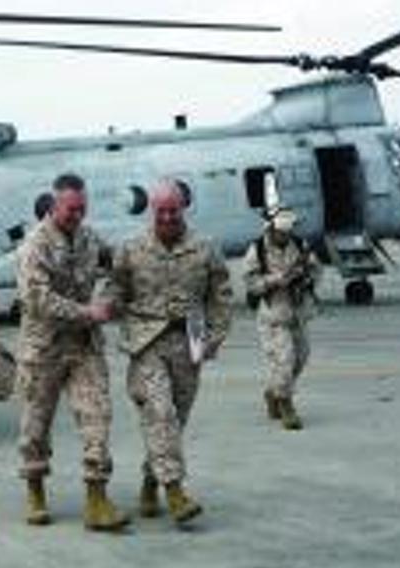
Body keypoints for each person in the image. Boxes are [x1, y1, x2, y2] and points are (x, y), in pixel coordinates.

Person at [105, 179, 233, 525]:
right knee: (160, 412)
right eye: (160, 211)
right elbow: (114, 289)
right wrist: (104, 308)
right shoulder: (131, 248)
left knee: (175, 420)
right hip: (146, 343)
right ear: (151, 210)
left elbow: (220, 297)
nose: (166, 217)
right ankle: (175, 492)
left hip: (189, 343)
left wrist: (213, 339)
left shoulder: (205, 247)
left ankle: (150, 481)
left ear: (183, 208)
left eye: (172, 210)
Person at [15, 173, 129, 531]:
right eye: (70, 209)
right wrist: (87, 312)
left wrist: (109, 297)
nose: (77, 215)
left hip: (84, 347)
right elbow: (37, 298)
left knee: (98, 416)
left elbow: (117, 267)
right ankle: (35, 491)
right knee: (36, 423)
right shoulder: (35, 245)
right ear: (54, 205)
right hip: (44, 348)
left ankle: (97, 499)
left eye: (82, 208)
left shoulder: (89, 238)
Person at [242, 208, 320, 431]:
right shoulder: (258, 250)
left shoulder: (300, 246)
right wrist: (277, 280)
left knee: (301, 358)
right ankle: (287, 406)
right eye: (281, 231)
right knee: (284, 360)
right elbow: (250, 282)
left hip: (297, 312)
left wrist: (305, 278)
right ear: (272, 228)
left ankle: (274, 392)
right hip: (273, 314)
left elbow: (316, 270)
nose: (285, 235)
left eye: (288, 231)